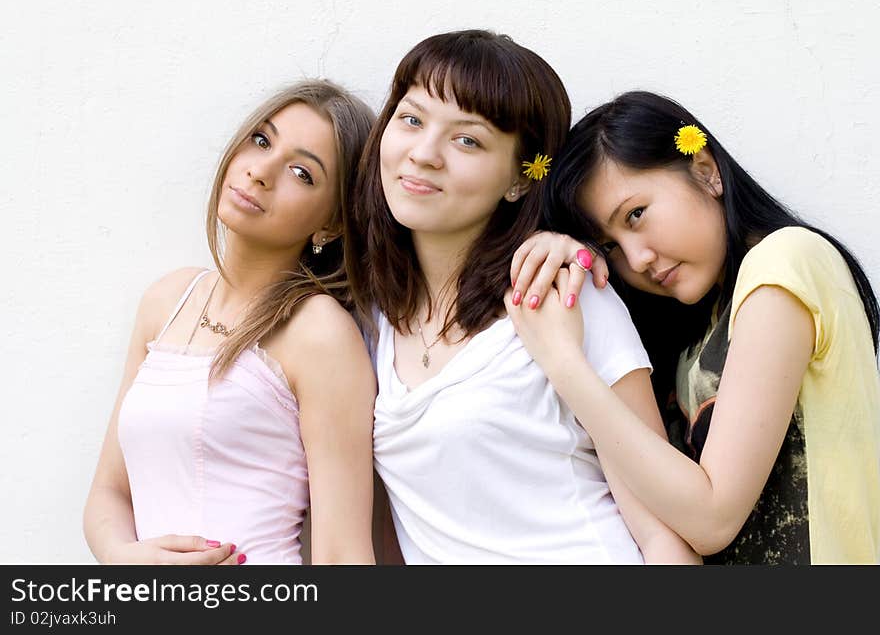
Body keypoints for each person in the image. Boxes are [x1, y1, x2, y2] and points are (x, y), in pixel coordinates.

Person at [346, 30, 700, 564]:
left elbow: (661, 534)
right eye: (411, 119)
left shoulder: (567, 293)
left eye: (467, 140)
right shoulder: (368, 318)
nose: (423, 154)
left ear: (519, 178)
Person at [508, 90, 880, 564]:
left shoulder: (784, 263)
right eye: (611, 247)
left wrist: (564, 363)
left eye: (636, 215)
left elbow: (712, 518)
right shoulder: (692, 328)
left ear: (706, 171)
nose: (637, 259)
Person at [83, 80, 378, 564]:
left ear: (331, 224)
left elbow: (342, 553)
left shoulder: (318, 331)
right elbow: (108, 493)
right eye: (261, 141)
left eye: (302, 172)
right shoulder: (167, 300)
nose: (260, 172)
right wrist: (128, 560)